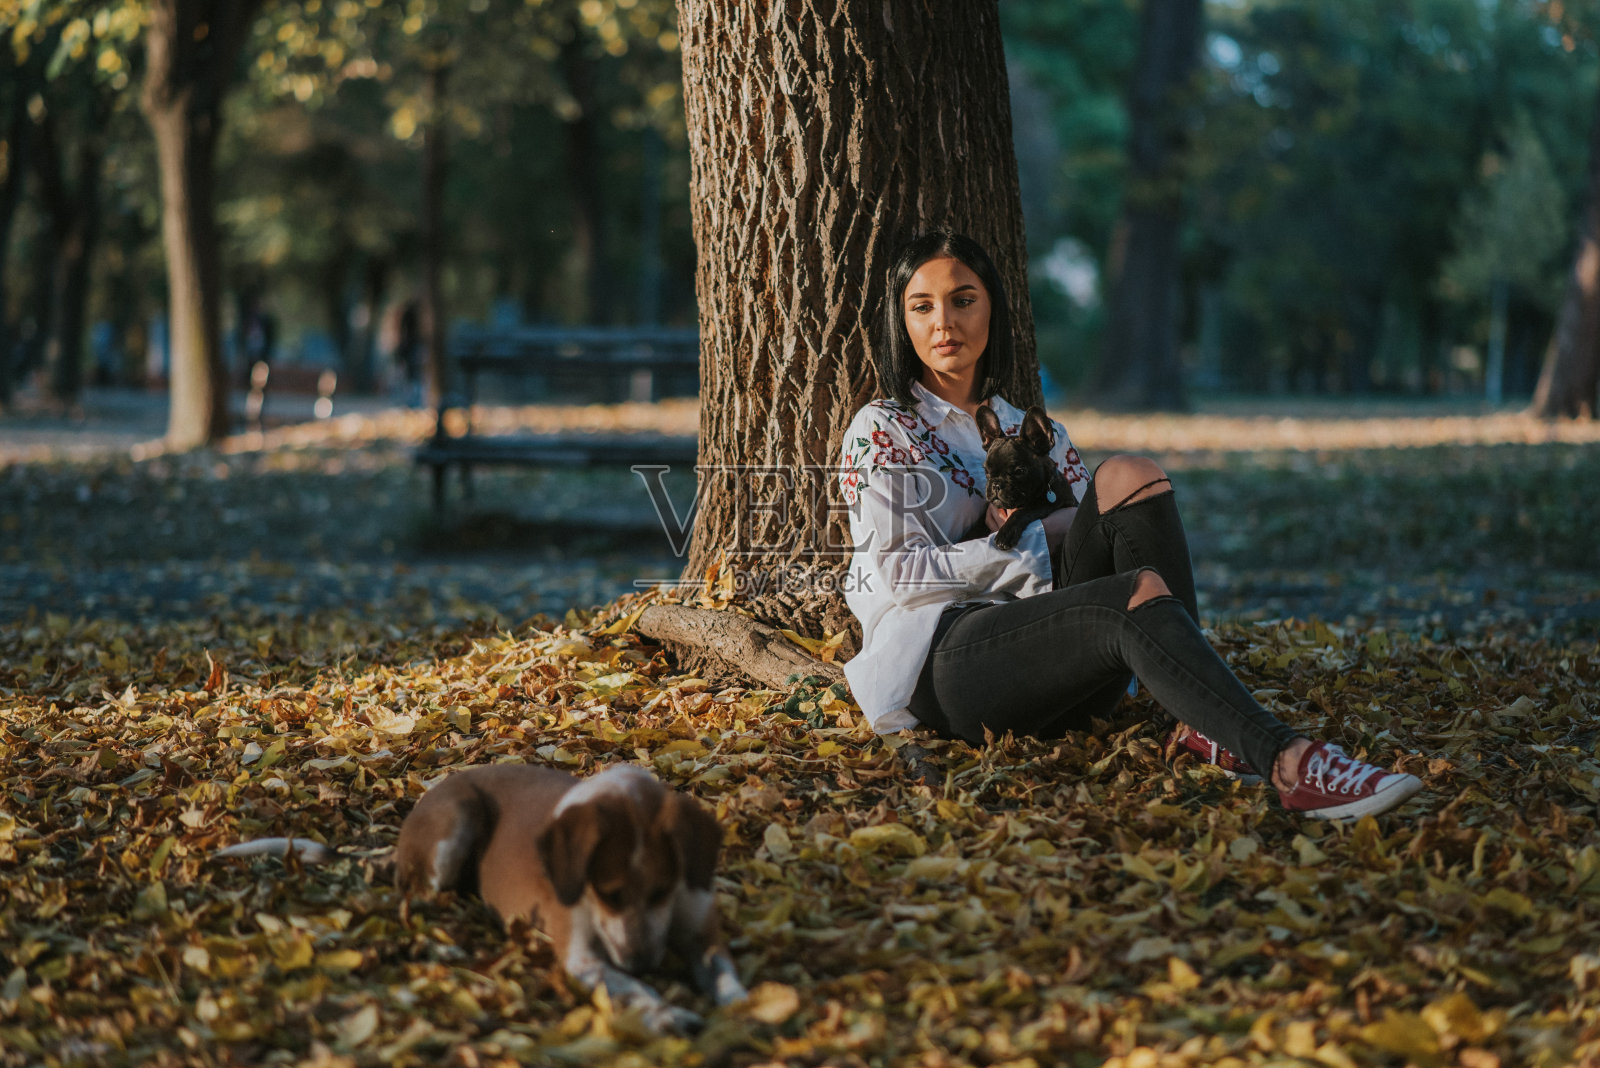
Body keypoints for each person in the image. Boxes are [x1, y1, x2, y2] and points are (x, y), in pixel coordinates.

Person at [838, 229, 1422, 820]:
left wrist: (1066, 531)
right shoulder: (884, 428)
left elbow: (1106, 531)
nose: (944, 322)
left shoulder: (1034, 429)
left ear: (992, 307)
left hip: (1059, 660)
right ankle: (1289, 763)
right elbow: (897, 576)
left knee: (1129, 474)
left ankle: (1204, 727)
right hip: (947, 665)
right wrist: (1036, 538)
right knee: (1131, 591)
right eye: (923, 306)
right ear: (902, 320)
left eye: (963, 299)